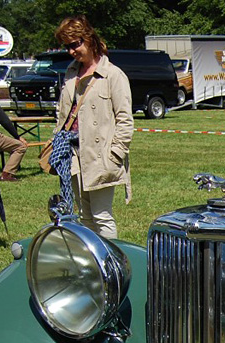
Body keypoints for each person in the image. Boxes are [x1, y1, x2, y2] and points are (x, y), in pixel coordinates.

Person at [53, 15, 132, 240]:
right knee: (84, 216)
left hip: (101, 156)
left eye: (75, 44)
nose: (71, 51)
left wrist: (115, 155)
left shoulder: (114, 75)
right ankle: (92, 265)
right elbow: (63, 114)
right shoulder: (71, 73)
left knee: (101, 216)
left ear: (89, 39)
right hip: (73, 155)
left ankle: (111, 266)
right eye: (67, 46)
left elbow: (125, 120)